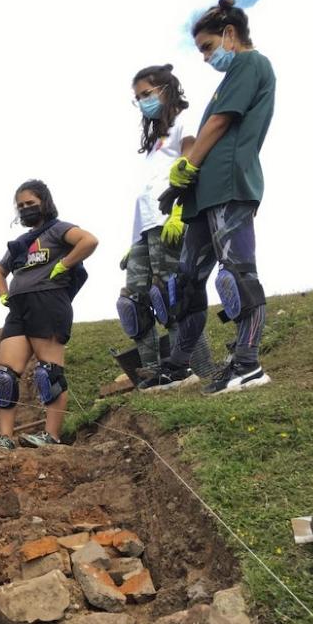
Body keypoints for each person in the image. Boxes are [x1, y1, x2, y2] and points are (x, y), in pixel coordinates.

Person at [157, 0, 275, 395]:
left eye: (208, 47)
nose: (206, 57)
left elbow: (222, 123)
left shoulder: (249, 63)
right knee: (188, 283)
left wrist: (189, 165)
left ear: (229, 34)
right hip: (203, 195)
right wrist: (179, 189)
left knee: (236, 275)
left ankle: (248, 364)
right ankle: (178, 364)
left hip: (229, 183)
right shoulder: (226, 81)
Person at [0, 180, 98, 449]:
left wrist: (64, 264)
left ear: (44, 203)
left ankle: (51, 436)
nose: (26, 209)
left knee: (48, 373)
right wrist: (4, 294)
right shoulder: (19, 244)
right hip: (18, 307)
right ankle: (5, 437)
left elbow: (89, 240)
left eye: (30, 204)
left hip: (48, 301)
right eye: (21, 206)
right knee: (3, 377)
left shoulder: (58, 229)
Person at [118, 64, 206, 391]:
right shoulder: (155, 140)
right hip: (146, 227)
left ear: (166, 89)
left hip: (171, 217)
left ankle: (192, 367)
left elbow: (191, 162)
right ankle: (156, 369)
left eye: (147, 94)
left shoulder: (186, 121)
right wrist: (134, 240)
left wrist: (179, 211)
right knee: (134, 300)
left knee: (173, 295)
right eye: (138, 98)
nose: (142, 102)